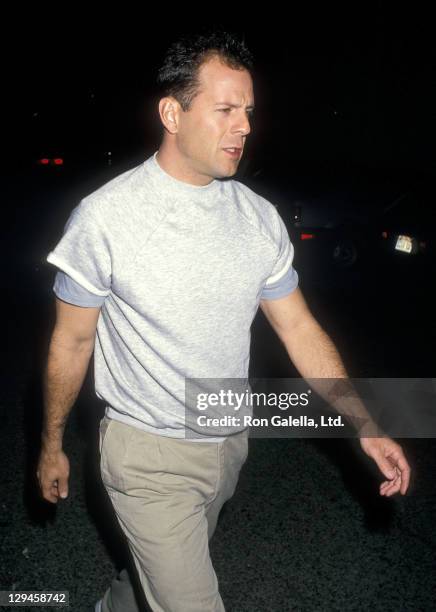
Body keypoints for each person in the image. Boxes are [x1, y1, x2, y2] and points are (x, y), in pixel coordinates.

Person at [36, 28, 411, 612]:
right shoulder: (105, 219)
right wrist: (51, 442)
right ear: (172, 112)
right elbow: (71, 341)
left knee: (153, 577)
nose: (245, 126)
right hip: (147, 453)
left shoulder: (258, 219)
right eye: (226, 109)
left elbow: (299, 329)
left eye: (250, 111)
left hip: (227, 440)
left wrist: (365, 422)